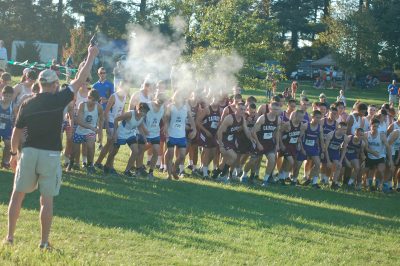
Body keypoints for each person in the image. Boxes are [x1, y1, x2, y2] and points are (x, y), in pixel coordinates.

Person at [4, 43, 98, 249]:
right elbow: (80, 79)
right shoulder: (59, 99)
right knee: (46, 201)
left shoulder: (27, 103)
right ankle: (44, 242)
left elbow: (16, 133)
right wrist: (91, 55)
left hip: (27, 153)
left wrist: (13, 154)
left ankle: (9, 237)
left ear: (38, 84)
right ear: (55, 84)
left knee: (17, 195)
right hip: (51, 156)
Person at [104, 102, 149, 176]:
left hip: (130, 134)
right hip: (121, 133)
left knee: (135, 151)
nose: (143, 113)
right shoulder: (130, 114)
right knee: (114, 152)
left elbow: (139, 126)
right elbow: (116, 120)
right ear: (138, 109)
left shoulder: (142, 116)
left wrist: (145, 139)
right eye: (142, 111)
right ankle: (107, 166)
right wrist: (115, 133)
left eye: (145, 112)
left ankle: (127, 171)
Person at [67, 89, 103, 174]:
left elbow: (101, 120)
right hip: (80, 131)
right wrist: (92, 128)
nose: (94, 102)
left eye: (96, 101)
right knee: (74, 151)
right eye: (93, 100)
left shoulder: (99, 107)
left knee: (90, 145)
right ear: (88, 97)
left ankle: (90, 165)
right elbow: (79, 121)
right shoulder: (82, 105)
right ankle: (71, 163)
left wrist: (99, 133)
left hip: (90, 132)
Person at [164, 90, 196, 180]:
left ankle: (174, 169)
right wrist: (166, 127)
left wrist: (194, 129)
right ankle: (169, 175)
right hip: (171, 134)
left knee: (182, 155)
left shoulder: (186, 107)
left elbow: (191, 118)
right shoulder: (170, 107)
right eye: (178, 96)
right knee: (170, 154)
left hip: (181, 135)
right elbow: (166, 118)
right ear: (175, 97)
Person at [0, 86, 14, 168]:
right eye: (5, 95)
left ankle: (5, 162)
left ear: (12, 97)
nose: (7, 98)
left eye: (9, 96)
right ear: (2, 94)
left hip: (7, 128)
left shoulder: (12, 106)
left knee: (8, 144)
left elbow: (15, 117)